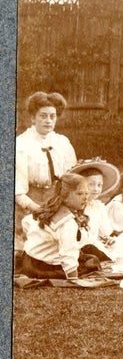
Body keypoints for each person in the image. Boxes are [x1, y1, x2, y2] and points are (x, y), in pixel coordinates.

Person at [15, 92, 78, 251]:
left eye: (52, 116)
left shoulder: (62, 142)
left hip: (59, 201)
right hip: (31, 203)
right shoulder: (21, 144)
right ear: (32, 117)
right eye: (43, 116)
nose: (48, 120)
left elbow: (73, 177)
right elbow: (18, 191)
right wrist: (39, 209)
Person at [20, 173, 110, 279]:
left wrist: (40, 243)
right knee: (89, 264)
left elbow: (26, 222)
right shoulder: (67, 222)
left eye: (86, 194)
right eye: (80, 194)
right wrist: (73, 278)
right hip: (45, 266)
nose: (85, 198)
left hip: (29, 260)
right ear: (65, 196)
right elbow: (68, 253)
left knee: (88, 255)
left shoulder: (50, 209)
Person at [68, 158, 123, 262]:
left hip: (94, 243)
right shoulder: (73, 206)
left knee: (122, 244)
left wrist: (107, 239)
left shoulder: (98, 207)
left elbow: (105, 231)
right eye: (91, 184)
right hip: (77, 246)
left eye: (99, 185)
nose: (96, 189)